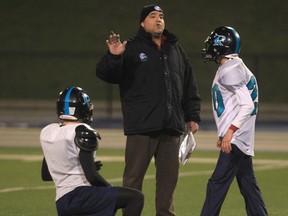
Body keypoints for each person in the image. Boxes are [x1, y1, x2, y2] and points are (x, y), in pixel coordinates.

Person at [96, 5, 201, 216]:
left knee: (168, 182)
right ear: (143, 23)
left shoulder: (175, 48)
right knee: (133, 180)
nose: (158, 20)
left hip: (171, 126)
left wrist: (192, 116)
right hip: (142, 126)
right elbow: (106, 74)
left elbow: (188, 83)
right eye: (152, 16)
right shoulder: (132, 47)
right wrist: (113, 56)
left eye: (161, 16)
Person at [40, 86, 144, 216]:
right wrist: (109, 188)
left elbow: (46, 174)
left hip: (62, 203)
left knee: (109, 199)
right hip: (81, 197)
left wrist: (77, 167)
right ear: (82, 108)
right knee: (135, 197)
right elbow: (92, 176)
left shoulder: (48, 131)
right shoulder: (82, 131)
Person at [200, 26, 268, 216]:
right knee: (248, 187)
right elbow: (234, 104)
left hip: (236, 139)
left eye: (213, 41)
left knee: (216, 185)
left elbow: (246, 105)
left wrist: (229, 131)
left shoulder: (229, 69)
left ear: (222, 44)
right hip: (240, 137)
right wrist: (224, 132)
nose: (210, 45)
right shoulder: (236, 65)